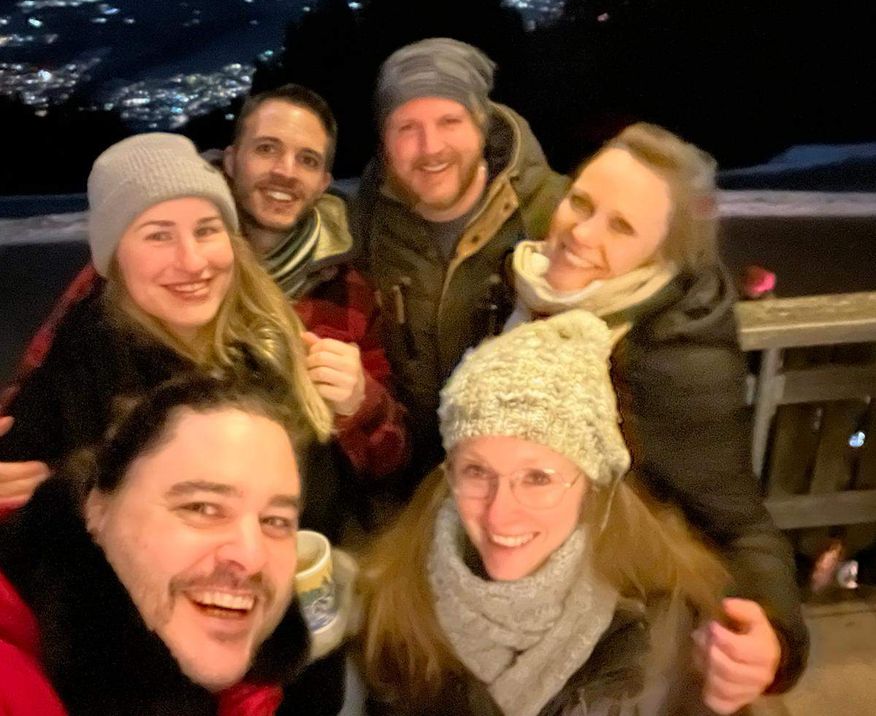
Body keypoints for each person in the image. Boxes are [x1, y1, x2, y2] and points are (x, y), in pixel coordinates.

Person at [506, 122, 808, 705]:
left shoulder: (668, 356)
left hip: (610, 650)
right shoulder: (533, 291)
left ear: (661, 254)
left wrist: (772, 635)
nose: (581, 233)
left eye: (621, 227)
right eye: (581, 203)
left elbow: (737, 522)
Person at [3, 85, 408, 484]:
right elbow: (39, 397)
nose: (285, 171)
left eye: (307, 159)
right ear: (232, 160)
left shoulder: (348, 291)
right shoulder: (116, 294)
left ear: (322, 182)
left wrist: (361, 403)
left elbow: (391, 461)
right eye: (267, 149)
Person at [358, 311, 731, 716]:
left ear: (592, 485)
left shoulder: (666, 625)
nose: (499, 515)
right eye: (477, 472)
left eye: (537, 478)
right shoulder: (393, 605)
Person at [0, 133, 353, 537]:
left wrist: (356, 407)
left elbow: (330, 510)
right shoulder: (80, 367)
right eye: (159, 235)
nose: (192, 261)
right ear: (115, 260)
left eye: (206, 230)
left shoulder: (278, 343)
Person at [0, 371, 351, 715]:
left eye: (275, 521)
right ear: (97, 508)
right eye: (202, 508)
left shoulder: (256, 682)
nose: (252, 555)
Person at [355, 37, 568, 479]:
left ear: (482, 126)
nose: (430, 147)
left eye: (449, 121)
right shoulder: (366, 222)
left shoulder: (558, 217)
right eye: (406, 127)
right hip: (409, 483)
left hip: (528, 480)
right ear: (384, 141)